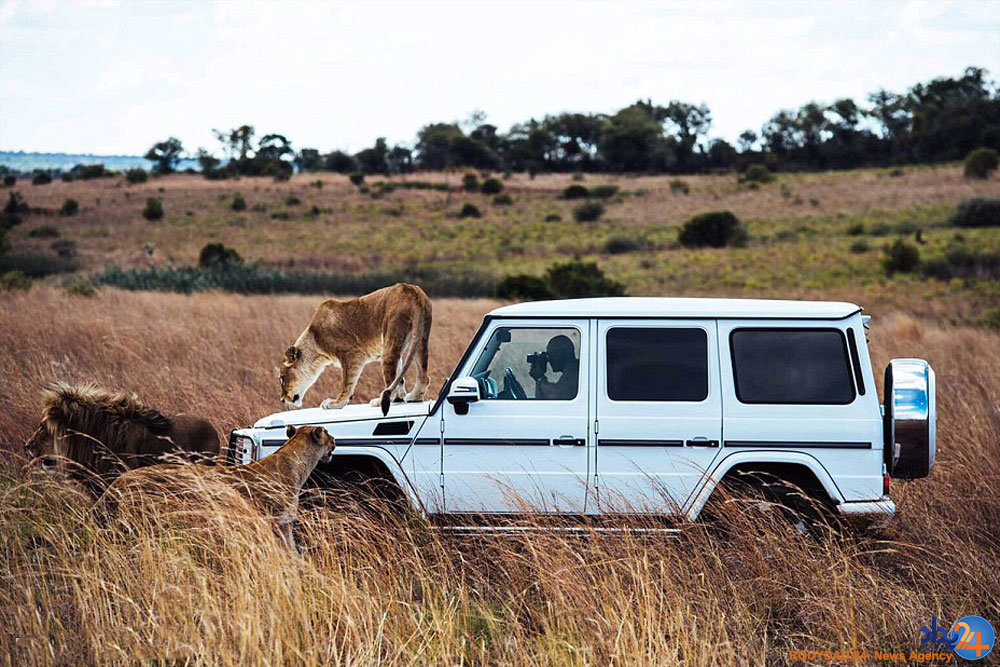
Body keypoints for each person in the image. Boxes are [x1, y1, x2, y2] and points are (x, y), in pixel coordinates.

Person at [530, 334, 579, 400]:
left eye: (552, 353)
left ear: (563, 353)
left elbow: (556, 395)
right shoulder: (570, 370)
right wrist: (538, 379)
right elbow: (541, 400)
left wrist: (540, 378)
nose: (549, 359)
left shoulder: (575, 370)